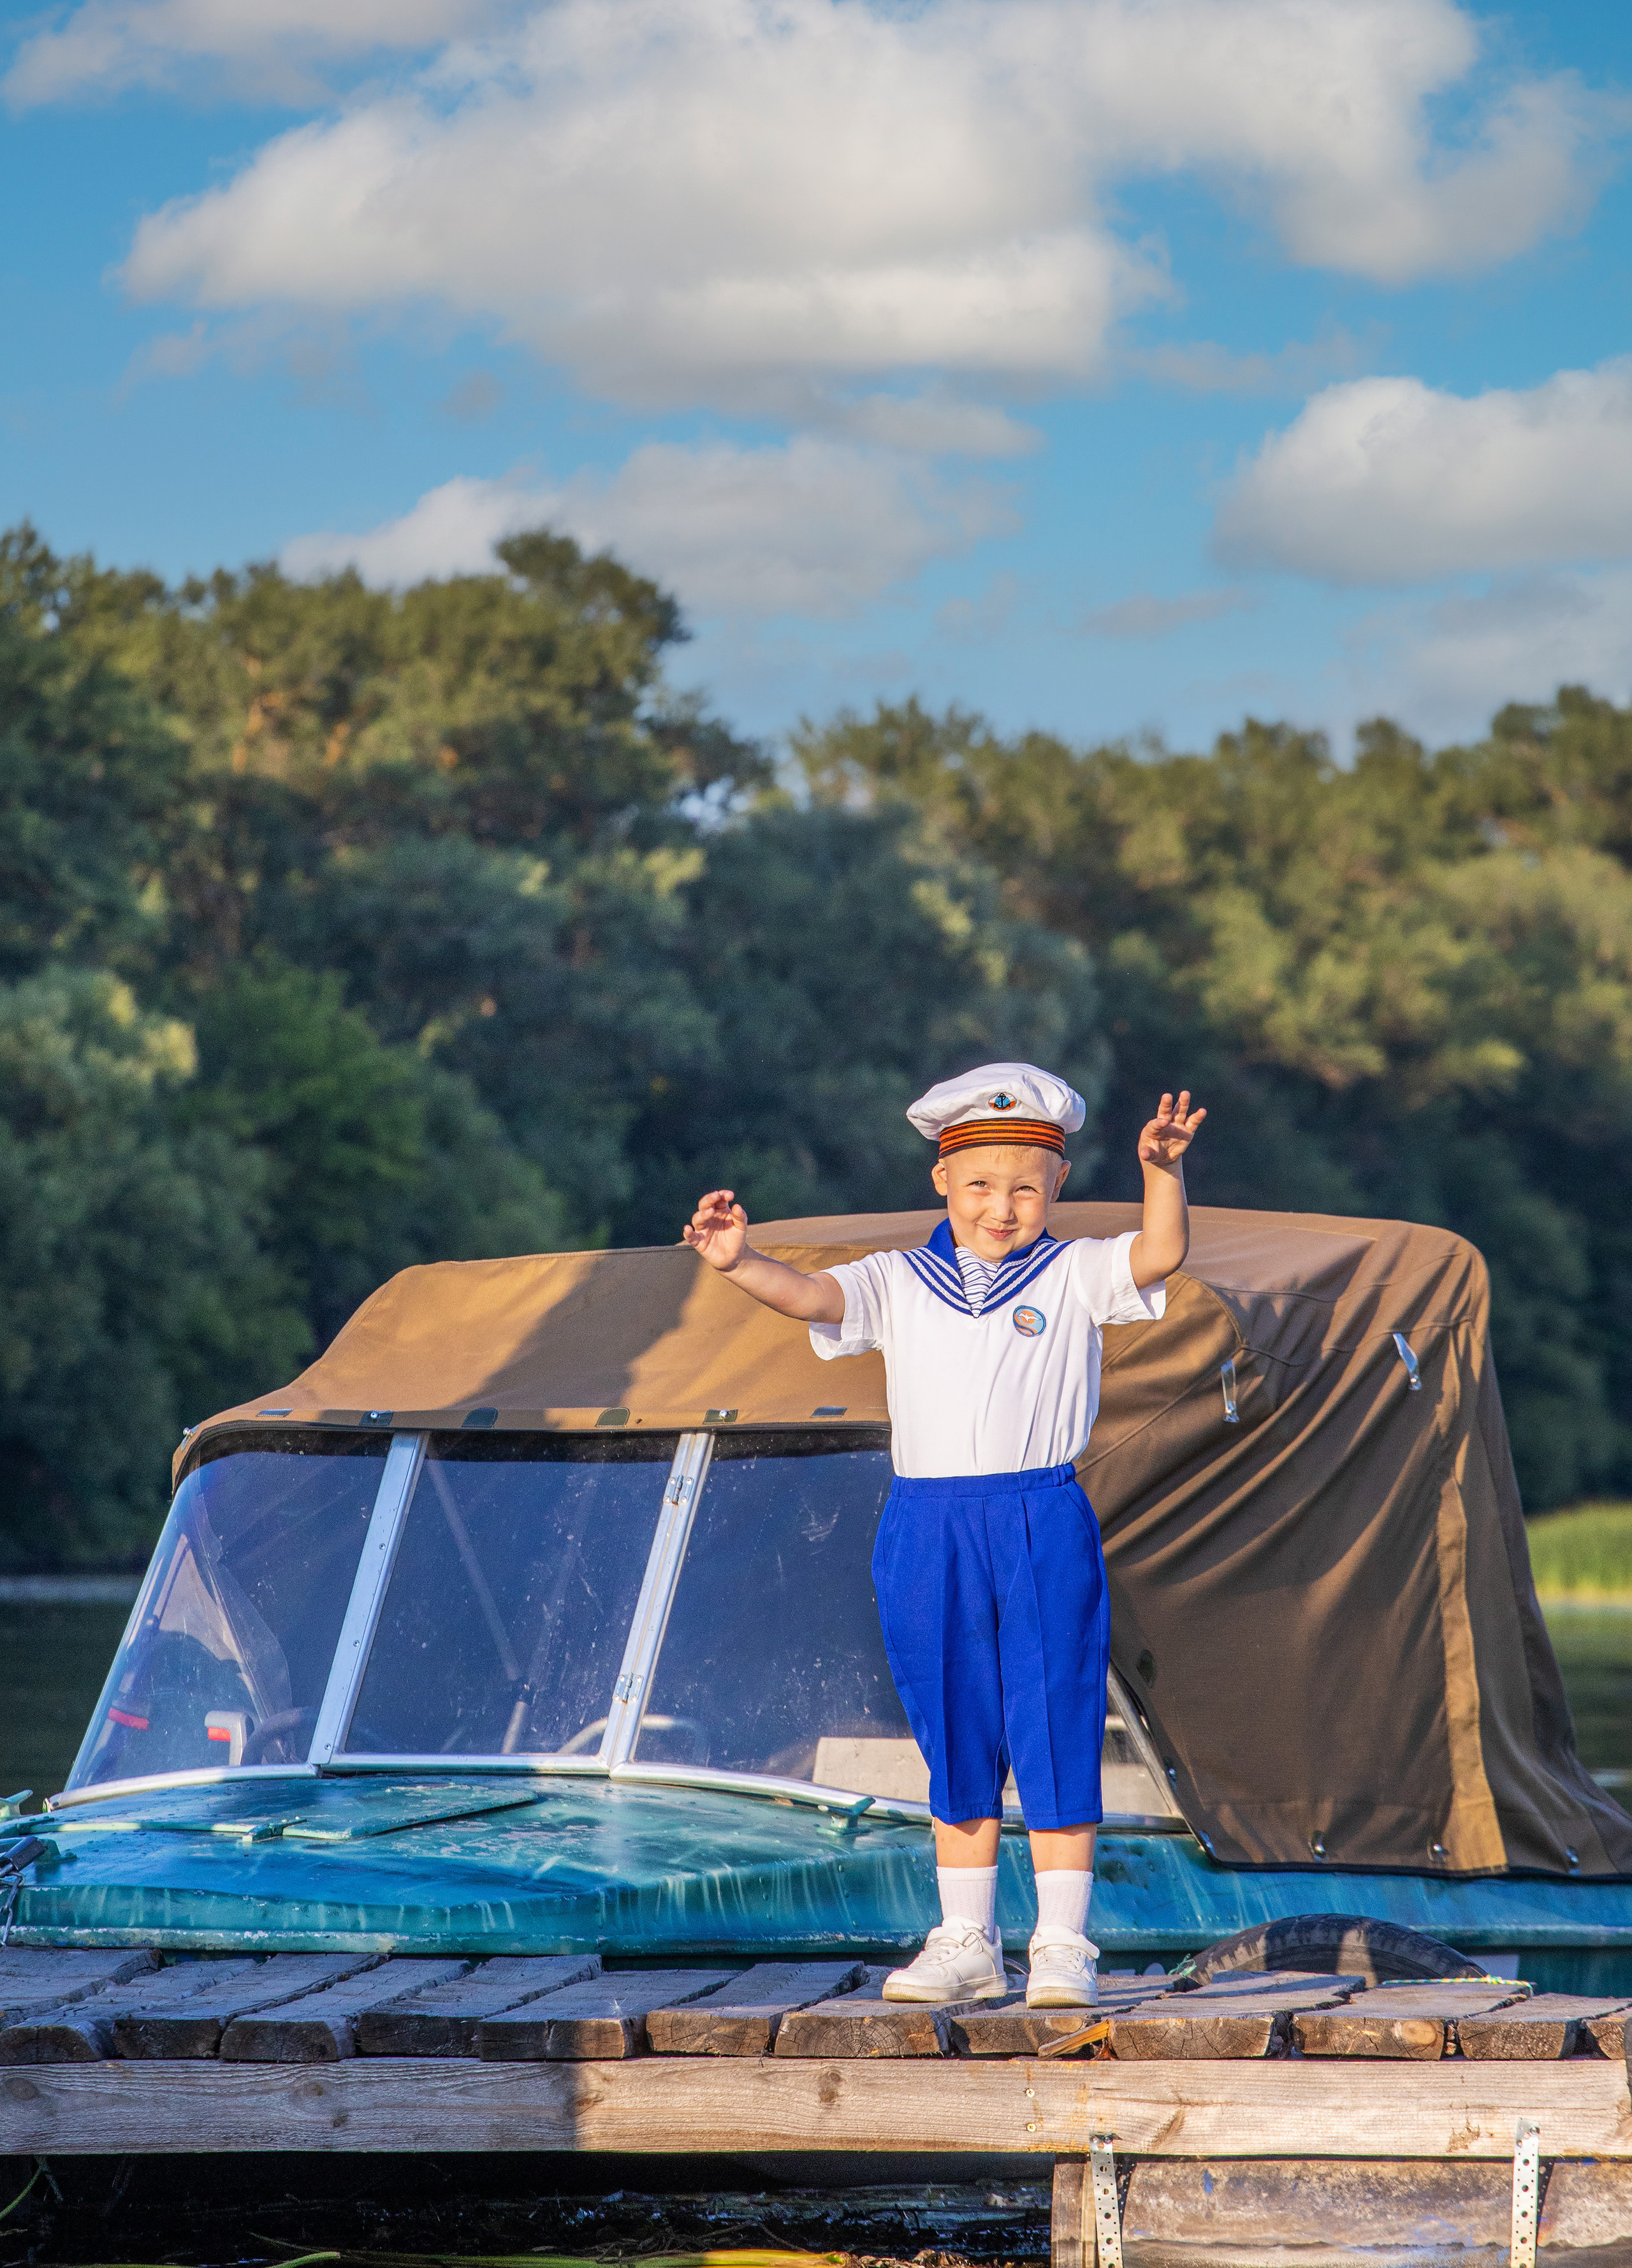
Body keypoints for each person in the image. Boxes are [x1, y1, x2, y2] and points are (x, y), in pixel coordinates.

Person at [685, 1063, 1204, 2009]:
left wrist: (1162, 1172)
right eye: (979, 1186)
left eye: (1024, 1188)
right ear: (941, 1183)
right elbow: (811, 1298)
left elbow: (1159, 1254)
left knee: (1053, 1712)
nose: (1000, 1208)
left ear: (1056, 1188)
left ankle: (1061, 1942)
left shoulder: (1075, 1270)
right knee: (953, 1719)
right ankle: (966, 1936)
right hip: (928, 1520)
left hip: (1038, 1510)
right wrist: (736, 1263)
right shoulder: (897, 1279)